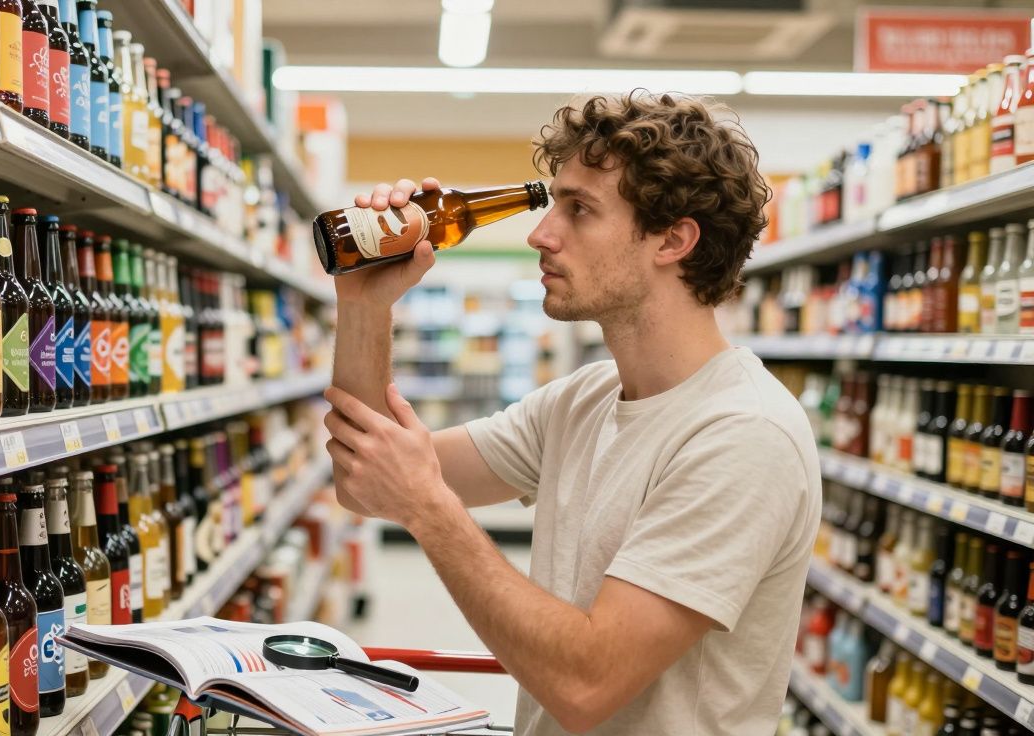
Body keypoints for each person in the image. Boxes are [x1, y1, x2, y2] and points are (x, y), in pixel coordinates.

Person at [322, 91, 821, 735]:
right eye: (554, 201)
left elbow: (588, 684)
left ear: (673, 240)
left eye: (579, 209)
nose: (539, 233)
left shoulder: (742, 434)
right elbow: (367, 482)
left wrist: (429, 508)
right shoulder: (581, 400)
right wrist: (365, 305)